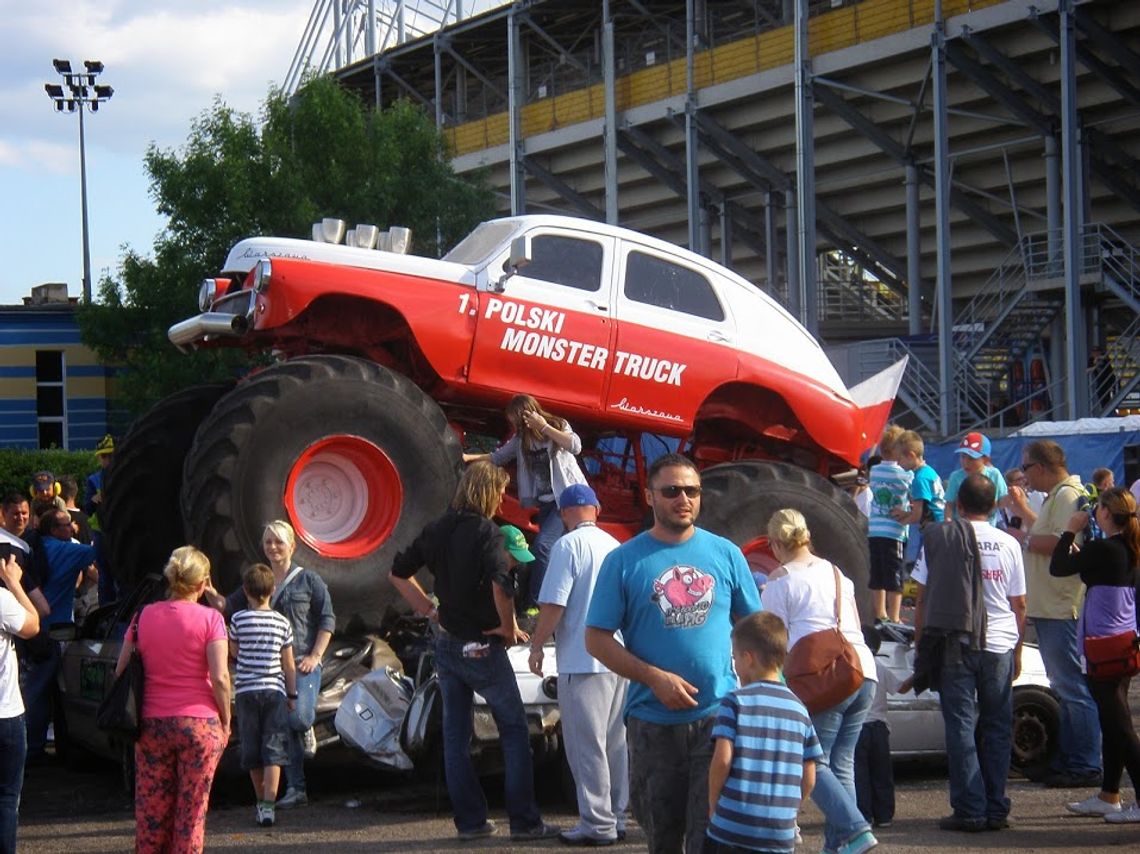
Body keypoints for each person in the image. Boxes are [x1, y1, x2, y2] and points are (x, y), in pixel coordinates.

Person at [585, 453, 761, 854]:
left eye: (692, 491)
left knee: (710, 837)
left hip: (717, 718)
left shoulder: (726, 554)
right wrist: (654, 677)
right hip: (653, 722)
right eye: (672, 491)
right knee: (663, 839)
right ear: (650, 497)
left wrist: (769, 694)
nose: (684, 499)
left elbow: (756, 630)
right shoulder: (623, 561)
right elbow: (595, 639)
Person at [388, 461, 559, 842]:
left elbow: (397, 573)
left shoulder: (437, 528)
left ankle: (470, 822)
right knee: (514, 730)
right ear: (487, 492)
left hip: (447, 643)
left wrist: (429, 610)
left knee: (456, 735)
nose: (501, 499)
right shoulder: (489, 533)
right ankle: (525, 822)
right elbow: (501, 584)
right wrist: (508, 627)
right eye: (499, 492)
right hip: (483, 645)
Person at [910, 474, 1026, 832]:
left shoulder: (939, 538)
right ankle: (996, 807)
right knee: (997, 727)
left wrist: (920, 646)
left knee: (960, 726)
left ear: (958, 504)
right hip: (999, 644)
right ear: (994, 506)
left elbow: (921, 599)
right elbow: (1019, 604)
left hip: (954, 642)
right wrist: (1018, 650)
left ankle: (970, 809)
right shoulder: (1008, 544)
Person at [761, 509, 879, 854]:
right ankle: (840, 845)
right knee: (842, 764)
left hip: (823, 677)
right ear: (807, 537)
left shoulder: (780, 581)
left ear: (775, 544)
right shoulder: (838, 573)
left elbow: (774, 641)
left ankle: (856, 829)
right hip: (861, 670)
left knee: (810, 760)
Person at [205, 521, 334, 810]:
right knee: (277, 729)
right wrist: (210, 591)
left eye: (279, 541)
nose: (273, 547)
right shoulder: (259, 580)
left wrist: (315, 655)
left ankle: (307, 729)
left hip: (302, 663)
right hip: (270, 672)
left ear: (292, 546)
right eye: (268, 542)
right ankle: (296, 789)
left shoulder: (309, 580)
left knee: (297, 719)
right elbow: (227, 607)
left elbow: (327, 618)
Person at [527, 482, 628, 846]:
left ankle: (597, 824)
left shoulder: (567, 546)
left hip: (581, 658)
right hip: (618, 657)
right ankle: (617, 817)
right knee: (616, 743)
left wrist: (537, 645)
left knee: (586, 746)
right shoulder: (616, 546)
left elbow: (555, 603)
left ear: (564, 513)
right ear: (597, 510)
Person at [115, 546, 231, 854]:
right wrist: (226, 719)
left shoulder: (143, 616)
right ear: (202, 583)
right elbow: (220, 677)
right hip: (200, 724)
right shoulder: (211, 619)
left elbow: (120, 669)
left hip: (152, 723)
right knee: (191, 813)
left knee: (152, 812)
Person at [1008, 439, 1103, 788]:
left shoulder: (1065, 496)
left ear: (1041, 467)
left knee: (1072, 688)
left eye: (1026, 469)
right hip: (1053, 605)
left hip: (1062, 606)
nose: (1024, 478)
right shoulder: (1058, 496)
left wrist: (1022, 538)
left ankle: (1086, 763)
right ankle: (1071, 759)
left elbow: (1066, 543)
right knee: (1065, 688)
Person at [1050, 487, 1140, 824]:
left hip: (1104, 646)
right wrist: (1079, 551)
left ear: (1105, 513)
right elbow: (1091, 569)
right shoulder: (1126, 548)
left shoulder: (1104, 548)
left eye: (1098, 507)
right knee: (1111, 722)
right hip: (1124, 642)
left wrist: (1069, 530)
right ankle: (1109, 795)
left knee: (1121, 727)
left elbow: (1058, 567)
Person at [705, 611, 821, 854]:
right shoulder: (800, 709)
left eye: (735, 657)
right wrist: (788, 811)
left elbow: (722, 760)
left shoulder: (734, 702)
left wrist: (713, 804)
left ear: (748, 658)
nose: (735, 667)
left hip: (732, 827)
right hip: (779, 833)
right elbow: (809, 775)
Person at [464, 393, 588, 605]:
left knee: (542, 546)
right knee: (550, 549)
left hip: (566, 499)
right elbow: (498, 457)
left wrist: (544, 427)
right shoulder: (521, 439)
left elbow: (575, 446)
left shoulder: (557, 425)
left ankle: (537, 602)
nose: (515, 425)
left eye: (516, 419)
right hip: (546, 502)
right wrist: (467, 458)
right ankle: (548, 597)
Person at [23, 510, 96, 764]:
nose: (73, 528)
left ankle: (34, 745)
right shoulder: (67, 551)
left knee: (37, 690)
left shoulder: (34, 547)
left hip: (30, 629)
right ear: (54, 530)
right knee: (45, 690)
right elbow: (101, 552)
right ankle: (33, 750)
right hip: (55, 632)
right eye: (67, 525)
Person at [230, 563, 298, 829]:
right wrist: (292, 694)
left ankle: (260, 801)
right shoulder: (282, 622)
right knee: (273, 747)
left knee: (251, 745)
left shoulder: (238, 620)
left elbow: (234, 652)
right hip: (274, 690)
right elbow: (288, 664)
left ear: (245, 591)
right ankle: (269, 806)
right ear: (273, 589)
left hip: (246, 690)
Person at [0, 554, 40, 854]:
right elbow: (33, 625)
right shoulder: (2, 599)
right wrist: (14, 582)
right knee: (6, 798)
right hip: (5, 713)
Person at [853, 627, 902, 830]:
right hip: (880, 727)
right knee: (882, 773)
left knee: (860, 774)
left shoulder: (852, 665)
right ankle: (884, 815)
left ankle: (864, 815)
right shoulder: (879, 667)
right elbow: (900, 688)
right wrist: (918, 678)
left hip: (858, 727)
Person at [867, 426, 912, 624]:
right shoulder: (903, 474)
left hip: (875, 529)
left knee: (877, 573)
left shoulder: (875, 471)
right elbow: (913, 486)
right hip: (894, 531)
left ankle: (880, 613)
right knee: (895, 573)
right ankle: (894, 616)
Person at [944, 432, 1008, 526]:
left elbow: (1003, 501)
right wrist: (948, 522)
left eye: (971, 458)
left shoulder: (994, 475)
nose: (965, 462)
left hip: (987, 527)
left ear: (986, 459)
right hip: (962, 528)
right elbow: (949, 504)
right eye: (963, 456)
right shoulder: (955, 477)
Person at [84, 434, 114, 519]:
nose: (109, 459)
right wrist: (93, 500)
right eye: (104, 456)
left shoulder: (128, 476)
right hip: (100, 527)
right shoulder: (93, 480)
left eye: (112, 455)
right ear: (98, 458)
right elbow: (87, 510)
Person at [1088, 346, 1118, 413]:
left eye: (1097, 352)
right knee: (1101, 393)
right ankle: (1105, 408)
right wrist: (1095, 364)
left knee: (1115, 387)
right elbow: (1087, 370)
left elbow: (1107, 359)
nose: (1096, 353)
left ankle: (1114, 403)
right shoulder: (1091, 359)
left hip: (1109, 377)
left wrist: (1099, 358)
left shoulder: (1104, 357)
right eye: (1094, 352)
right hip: (1100, 380)